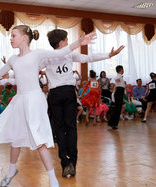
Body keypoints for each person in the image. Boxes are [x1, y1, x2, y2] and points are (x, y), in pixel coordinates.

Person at [0, 25, 97, 187]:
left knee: (39, 140)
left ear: (24, 38)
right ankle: (12, 169)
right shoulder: (13, 59)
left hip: (35, 100)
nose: (11, 39)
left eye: (13, 35)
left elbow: (60, 52)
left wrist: (79, 42)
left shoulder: (37, 54)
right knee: (16, 138)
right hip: (20, 100)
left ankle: (52, 178)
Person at [42, 29, 123, 178]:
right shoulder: (65, 54)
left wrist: (109, 55)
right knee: (71, 127)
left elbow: (89, 58)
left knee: (59, 128)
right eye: (66, 40)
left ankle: (65, 163)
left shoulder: (47, 57)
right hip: (67, 92)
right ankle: (72, 162)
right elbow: (89, 58)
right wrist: (108, 55)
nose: (68, 43)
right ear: (61, 43)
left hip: (55, 95)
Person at [108, 65, 125, 130]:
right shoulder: (119, 76)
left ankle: (112, 123)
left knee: (117, 108)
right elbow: (116, 79)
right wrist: (117, 80)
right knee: (117, 109)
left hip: (119, 92)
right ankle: (113, 124)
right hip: (119, 92)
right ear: (122, 70)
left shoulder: (119, 76)